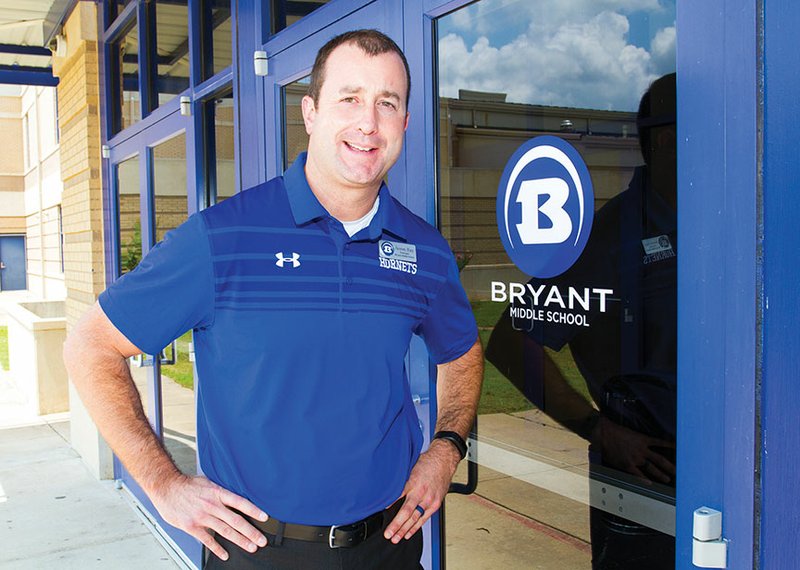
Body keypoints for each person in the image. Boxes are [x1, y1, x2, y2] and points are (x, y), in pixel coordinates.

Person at [63, 29, 483, 569]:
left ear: (404, 123)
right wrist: (163, 483)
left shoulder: (422, 248)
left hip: (390, 547)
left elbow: (462, 350)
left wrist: (446, 448)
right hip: (259, 551)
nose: (368, 123)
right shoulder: (222, 239)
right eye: (350, 99)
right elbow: (91, 346)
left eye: (387, 103)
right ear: (309, 113)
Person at [486, 73, 677, 569]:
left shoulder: (726, 220)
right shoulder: (610, 237)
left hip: (728, 466)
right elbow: (511, 340)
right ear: (664, 139)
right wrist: (599, 429)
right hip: (647, 474)